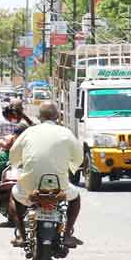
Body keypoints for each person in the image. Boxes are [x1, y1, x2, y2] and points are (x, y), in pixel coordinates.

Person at [9, 102, 83, 248]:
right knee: (75, 198)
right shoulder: (66, 133)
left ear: (39, 117)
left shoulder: (28, 132)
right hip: (59, 186)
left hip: (30, 187)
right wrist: (72, 166)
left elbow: (13, 155)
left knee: (14, 195)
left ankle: (22, 237)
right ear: (57, 116)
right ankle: (67, 235)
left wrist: (17, 164)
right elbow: (78, 157)